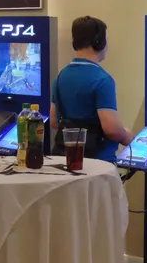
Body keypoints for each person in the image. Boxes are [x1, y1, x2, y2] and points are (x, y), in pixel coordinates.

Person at [49, 16, 134, 162]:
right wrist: (127, 136)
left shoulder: (61, 77)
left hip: (66, 160)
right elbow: (111, 129)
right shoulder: (102, 80)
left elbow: (54, 122)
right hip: (98, 163)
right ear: (99, 42)